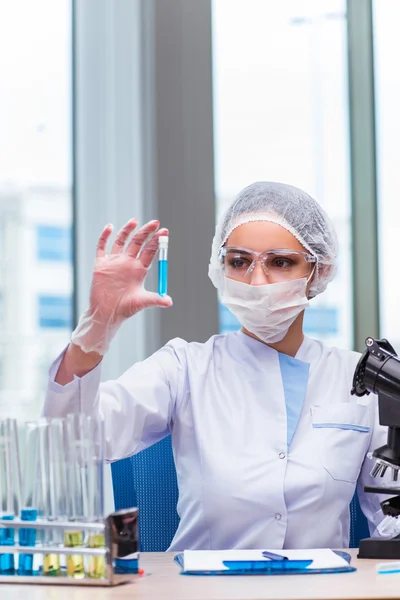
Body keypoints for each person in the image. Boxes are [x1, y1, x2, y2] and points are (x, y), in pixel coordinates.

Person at [43, 181, 388, 551]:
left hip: (322, 590)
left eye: (280, 262)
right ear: (220, 269)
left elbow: (393, 521)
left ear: (319, 270)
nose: (257, 281)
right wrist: (96, 327)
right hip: (202, 588)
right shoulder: (185, 368)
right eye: (239, 262)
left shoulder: (361, 379)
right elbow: (70, 443)